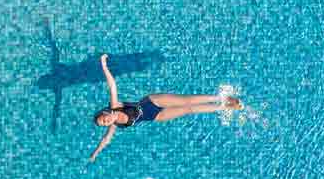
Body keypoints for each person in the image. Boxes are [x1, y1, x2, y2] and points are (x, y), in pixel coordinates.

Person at [85, 54, 243, 162]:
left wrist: (104, 66)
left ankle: (221, 97)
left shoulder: (115, 106)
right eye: (104, 124)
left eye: (104, 119)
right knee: (190, 109)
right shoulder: (115, 125)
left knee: (187, 100)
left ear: (106, 112)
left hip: (152, 102)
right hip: (156, 117)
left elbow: (112, 86)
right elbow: (106, 140)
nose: (106, 122)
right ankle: (224, 106)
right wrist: (95, 154)